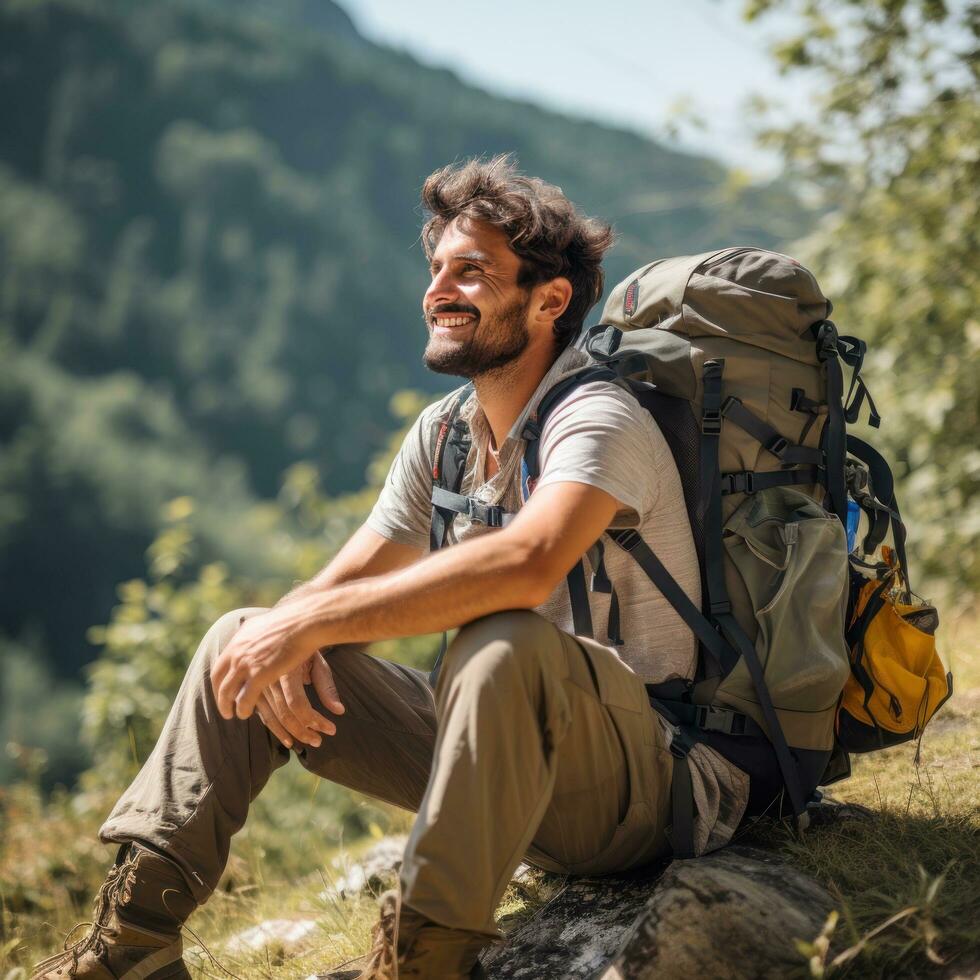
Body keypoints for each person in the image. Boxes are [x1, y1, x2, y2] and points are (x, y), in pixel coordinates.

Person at [33, 156, 749, 980]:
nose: (439, 290)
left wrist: (310, 623)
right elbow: (329, 593)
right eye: (438, 268)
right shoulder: (443, 435)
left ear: (550, 301)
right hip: (510, 772)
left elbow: (527, 564)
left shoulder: (598, 413)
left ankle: (424, 961)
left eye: (472, 272)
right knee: (247, 632)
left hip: (649, 783)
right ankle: (129, 948)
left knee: (501, 641)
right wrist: (289, 630)